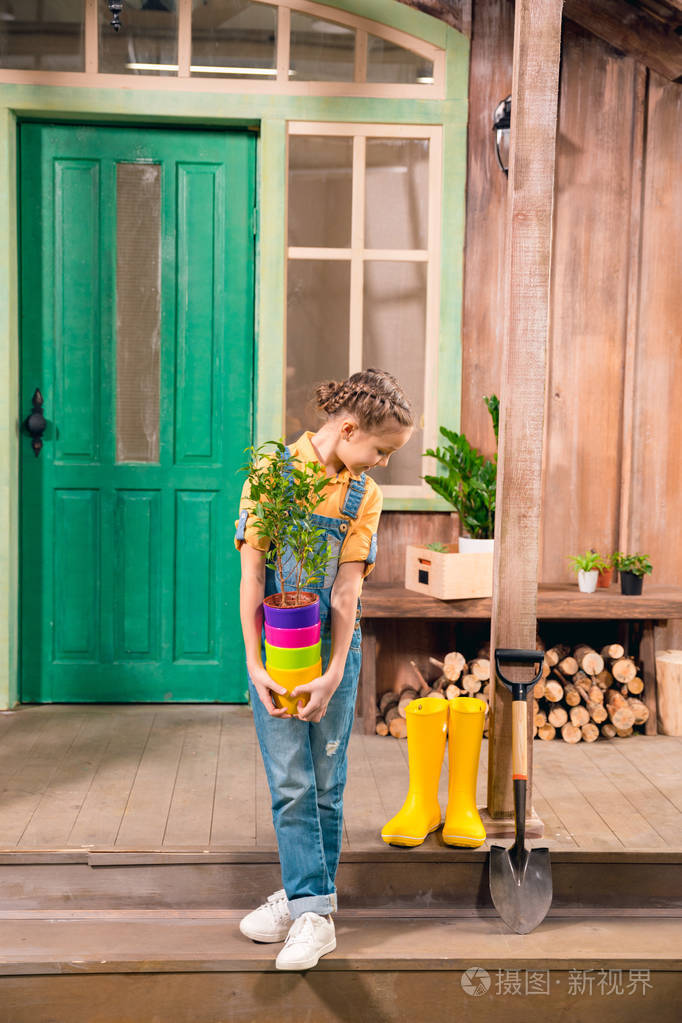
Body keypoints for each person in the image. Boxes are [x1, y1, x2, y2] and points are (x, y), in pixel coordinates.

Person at [235, 368, 413, 971]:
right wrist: (257, 666)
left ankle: (308, 908)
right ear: (347, 428)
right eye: (381, 450)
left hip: (335, 649)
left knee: (327, 783)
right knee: (291, 780)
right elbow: (254, 578)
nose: (382, 463)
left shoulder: (365, 495)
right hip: (279, 653)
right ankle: (309, 904)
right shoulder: (272, 476)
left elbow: (345, 593)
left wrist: (337, 669)